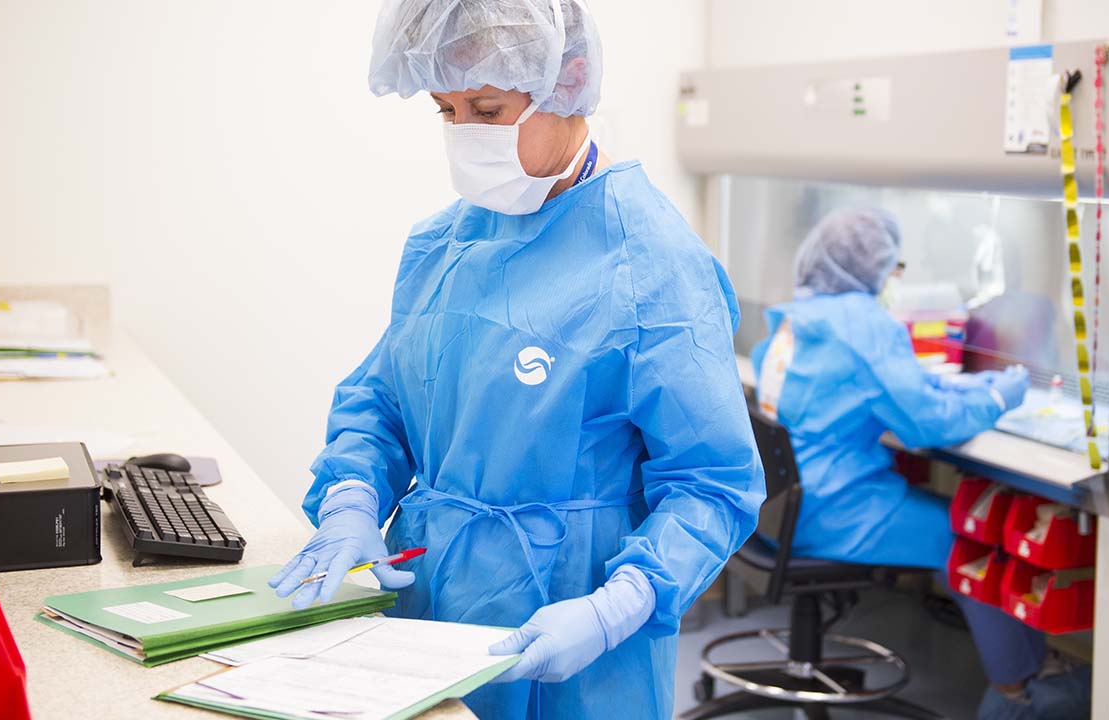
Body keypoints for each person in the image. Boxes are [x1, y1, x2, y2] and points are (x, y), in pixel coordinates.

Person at [268, 1, 765, 718]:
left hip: (576, 655)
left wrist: (616, 607)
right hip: (426, 617)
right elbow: (383, 401)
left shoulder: (652, 265)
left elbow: (712, 485)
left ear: (571, 81)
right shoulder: (446, 245)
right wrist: (352, 499)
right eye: (446, 111)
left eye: (488, 108)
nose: (467, 136)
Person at [751, 207, 1090, 720]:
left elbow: (890, 386)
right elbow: (926, 425)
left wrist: (960, 386)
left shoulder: (797, 318)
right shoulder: (863, 326)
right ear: (868, 267)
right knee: (973, 544)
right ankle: (1021, 691)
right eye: (892, 266)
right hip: (837, 512)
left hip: (778, 510)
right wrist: (1001, 397)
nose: (894, 277)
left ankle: (1022, 676)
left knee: (952, 520)